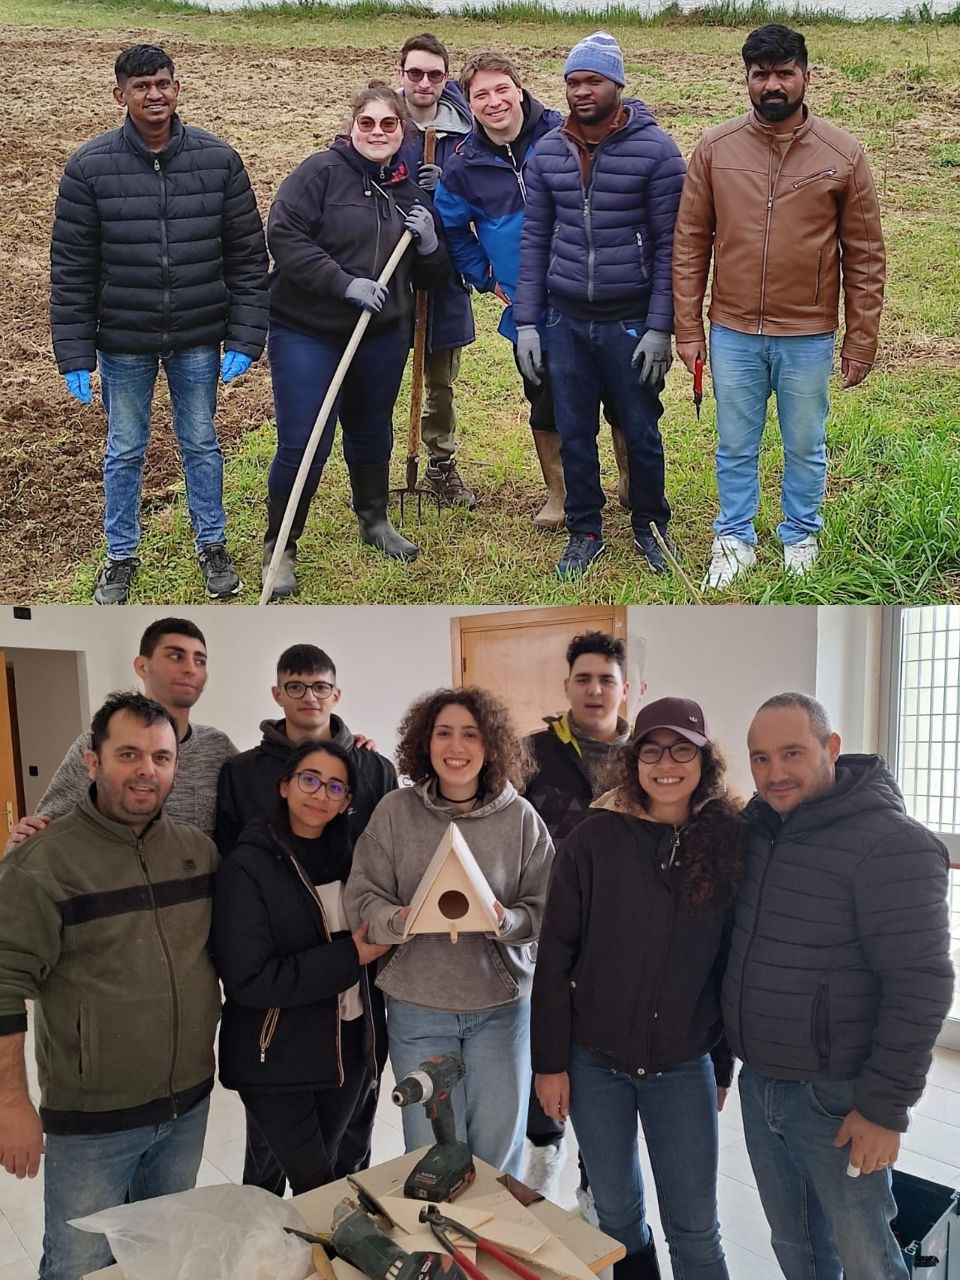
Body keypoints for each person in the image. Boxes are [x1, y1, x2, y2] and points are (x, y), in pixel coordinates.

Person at [724, 692, 953, 1280]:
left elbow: (921, 984)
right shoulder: (757, 831)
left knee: (866, 1256)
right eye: (760, 758)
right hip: (762, 1083)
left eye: (792, 753)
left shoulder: (892, 843)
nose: (775, 773)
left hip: (838, 1098)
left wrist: (884, 1109)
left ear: (832, 748)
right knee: (795, 1246)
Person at [0, 692, 221, 1280]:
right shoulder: (43, 864)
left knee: (163, 1255)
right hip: (92, 1124)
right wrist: (12, 1103)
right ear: (93, 763)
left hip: (187, 1106)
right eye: (129, 754)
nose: (147, 770)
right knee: (79, 1266)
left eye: (162, 757)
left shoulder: (198, 855)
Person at [532, 697, 744, 1280]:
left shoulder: (727, 841)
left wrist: (721, 1064)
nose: (665, 763)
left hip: (682, 1063)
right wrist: (550, 1064)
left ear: (704, 759)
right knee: (619, 1220)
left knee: (696, 1229)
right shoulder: (593, 839)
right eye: (651, 749)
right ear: (634, 760)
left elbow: (726, 966)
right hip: (595, 1062)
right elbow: (554, 957)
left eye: (681, 749)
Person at [50, 44, 269, 605]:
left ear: (177, 89)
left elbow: (248, 257)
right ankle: (120, 555)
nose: (155, 95)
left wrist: (245, 336)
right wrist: (75, 352)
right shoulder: (89, 167)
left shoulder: (218, 161)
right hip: (122, 342)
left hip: (197, 335)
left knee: (200, 442)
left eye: (164, 83)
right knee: (125, 448)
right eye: (142, 85)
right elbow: (72, 268)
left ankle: (212, 546)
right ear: (119, 93)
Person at [672, 25, 886, 590]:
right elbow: (691, 242)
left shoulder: (843, 154)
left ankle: (800, 534)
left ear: (805, 76)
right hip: (733, 329)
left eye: (783, 72)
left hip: (808, 333)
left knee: (805, 444)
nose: (771, 83)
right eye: (760, 73)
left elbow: (865, 256)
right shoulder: (715, 150)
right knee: (735, 443)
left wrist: (860, 339)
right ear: (746, 78)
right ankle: (734, 537)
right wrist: (687, 328)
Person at [345, 687, 554, 1178]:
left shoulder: (521, 818)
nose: (455, 747)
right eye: (444, 733)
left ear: (491, 745)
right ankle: (443, 1247)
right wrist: (398, 921)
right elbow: (362, 898)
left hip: (500, 1012)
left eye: (470, 734)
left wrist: (508, 922)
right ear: (425, 742)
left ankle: (494, 1244)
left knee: (498, 1150)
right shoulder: (395, 813)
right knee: (432, 1148)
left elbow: (545, 909)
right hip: (419, 1009)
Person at [215, 642, 397, 1193]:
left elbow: (388, 868)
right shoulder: (243, 786)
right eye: (296, 686)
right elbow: (250, 963)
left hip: (354, 1022)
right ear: (283, 786)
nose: (319, 795)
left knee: (346, 1163)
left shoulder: (372, 769)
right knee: (278, 1173)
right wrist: (349, 956)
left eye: (335, 787)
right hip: (279, 1036)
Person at [263, 81, 452, 596]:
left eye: (388, 124)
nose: (376, 132)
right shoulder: (320, 174)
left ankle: (374, 520)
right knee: (305, 442)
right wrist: (343, 283)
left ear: (402, 131)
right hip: (308, 331)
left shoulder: (411, 191)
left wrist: (431, 242)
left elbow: (434, 277)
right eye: (366, 123)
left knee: (370, 432)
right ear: (352, 127)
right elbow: (283, 236)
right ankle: (280, 546)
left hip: (381, 334)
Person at [514, 33, 686, 581]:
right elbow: (535, 240)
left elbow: (670, 247)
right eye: (572, 82)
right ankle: (585, 529)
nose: (581, 91)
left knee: (640, 426)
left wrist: (661, 327)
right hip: (565, 319)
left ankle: (650, 525)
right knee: (574, 426)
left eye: (592, 81)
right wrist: (527, 323)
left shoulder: (656, 152)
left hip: (630, 318)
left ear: (617, 85)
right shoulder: (547, 153)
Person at [435, 52, 629, 533]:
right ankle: (561, 494)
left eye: (502, 89)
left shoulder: (565, 133)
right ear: (470, 104)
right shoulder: (463, 166)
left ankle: (632, 481)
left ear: (519, 90)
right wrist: (487, 276)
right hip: (532, 311)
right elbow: (453, 231)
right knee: (546, 401)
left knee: (622, 395)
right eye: (481, 94)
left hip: (596, 291)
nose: (494, 101)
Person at [522, 630, 633, 1206]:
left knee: (602, 1072)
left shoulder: (649, 759)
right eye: (584, 679)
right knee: (546, 1055)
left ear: (626, 689)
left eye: (606, 680)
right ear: (566, 686)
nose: (595, 690)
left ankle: (596, 1194)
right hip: (543, 940)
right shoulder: (531, 752)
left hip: (618, 945)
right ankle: (540, 1171)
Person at [4, 616, 235, 855]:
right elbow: (43, 835)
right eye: (175, 656)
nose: (190, 668)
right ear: (142, 666)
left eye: (200, 661)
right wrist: (20, 849)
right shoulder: (95, 745)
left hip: (198, 889)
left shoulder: (218, 746)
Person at [396, 33, 478, 509]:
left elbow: (485, 196)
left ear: (445, 77)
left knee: (440, 381)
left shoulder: (466, 132)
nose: (424, 82)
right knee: (379, 376)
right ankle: (371, 466)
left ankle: (440, 463)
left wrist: (449, 188)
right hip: (388, 273)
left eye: (433, 74)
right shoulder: (382, 121)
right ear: (401, 73)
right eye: (414, 73)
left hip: (444, 275)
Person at [215, 643, 397, 855]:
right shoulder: (240, 773)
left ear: (335, 695)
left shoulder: (377, 770)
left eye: (320, 687)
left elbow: (393, 852)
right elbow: (230, 856)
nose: (309, 697)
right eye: (295, 687)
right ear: (277, 695)